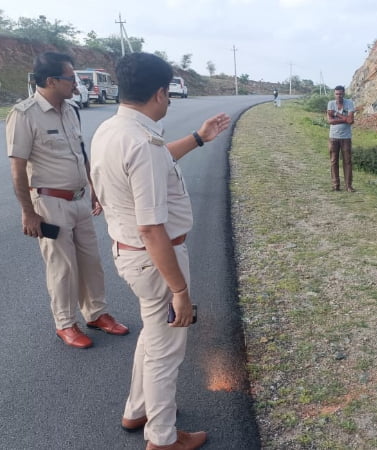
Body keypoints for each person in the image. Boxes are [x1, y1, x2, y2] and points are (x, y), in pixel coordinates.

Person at [90, 52, 231, 450]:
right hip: (155, 257)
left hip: (129, 253)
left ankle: (137, 410)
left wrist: (200, 137)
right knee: (167, 351)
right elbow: (151, 227)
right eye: (167, 94)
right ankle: (163, 438)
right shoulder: (142, 142)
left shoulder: (112, 130)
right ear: (159, 92)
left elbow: (154, 162)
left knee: (152, 339)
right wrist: (180, 291)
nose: (168, 101)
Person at [6, 52, 128, 350]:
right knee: (62, 267)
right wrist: (28, 212)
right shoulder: (24, 115)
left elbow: (80, 154)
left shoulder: (71, 110)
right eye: (71, 78)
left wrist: (94, 189)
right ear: (51, 81)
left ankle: (96, 313)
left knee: (91, 262)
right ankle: (65, 323)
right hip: (50, 204)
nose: (77, 83)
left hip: (80, 199)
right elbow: (17, 169)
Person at [327, 85, 356, 192]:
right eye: (337, 94)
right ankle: (336, 185)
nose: (339, 96)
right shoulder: (330, 103)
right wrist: (345, 119)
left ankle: (348, 185)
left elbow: (351, 121)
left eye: (340, 93)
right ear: (334, 94)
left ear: (344, 93)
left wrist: (336, 114)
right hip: (333, 137)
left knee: (347, 161)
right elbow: (330, 121)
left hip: (346, 137)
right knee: (334, 161)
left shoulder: (349, 103)